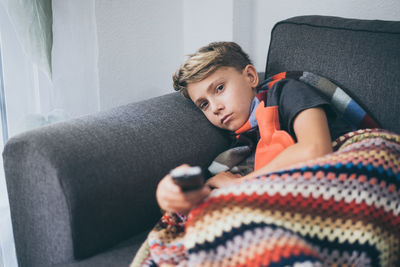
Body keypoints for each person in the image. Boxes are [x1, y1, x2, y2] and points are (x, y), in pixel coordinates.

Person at [156, 41, 350, 214]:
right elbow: (211, 189)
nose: (215, 108)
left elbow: (315, 148)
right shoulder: (241, 145)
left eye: (220, 88)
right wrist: (169, 192)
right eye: (204, 104)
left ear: (250, 77)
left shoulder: (286, 92)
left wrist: (239, 185)